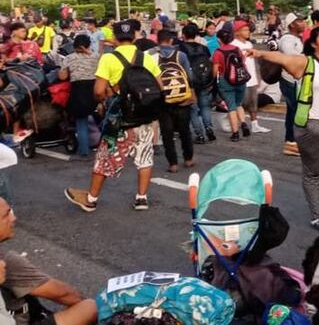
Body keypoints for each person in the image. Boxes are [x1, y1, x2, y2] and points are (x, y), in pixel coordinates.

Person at [256, 27, 319, 226]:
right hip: (314, 127)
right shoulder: (306, 63)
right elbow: (282, 58)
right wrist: (258, 52)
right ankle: (318, 215)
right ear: (313, 44)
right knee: (314, 173)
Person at [63, 20, 161, 213]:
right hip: (144, 115)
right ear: (134, 36)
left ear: (115, 37)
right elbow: (159, 85)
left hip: (120, 118)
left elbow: (99, 91)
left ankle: (91, 199)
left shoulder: (108, 58)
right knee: (144, 157)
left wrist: (106, 97)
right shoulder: (146, 57)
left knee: (105, 156)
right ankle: (141, 198)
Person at [0, 197, 98, 325]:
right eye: (6, 215)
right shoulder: (7, 261)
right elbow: (64, 294)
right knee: (90, 308)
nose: (13, 218)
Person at [152, 29, 196, 173]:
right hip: (181, 97)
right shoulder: (180, 55)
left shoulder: (152, 56)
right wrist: (192, 93)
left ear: (157, 40)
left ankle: (173, 163)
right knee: (185, 130)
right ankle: (188, 159)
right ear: (171, 40)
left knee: (167, 132)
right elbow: (189, 75)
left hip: (163, 98)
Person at [57, 34, 99, 159]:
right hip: (94, 89)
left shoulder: (69, 58)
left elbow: (62, 77)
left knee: (81, 122)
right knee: (99, 119)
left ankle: (83, 151)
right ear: (88, 45)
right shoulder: (96, 57)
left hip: (78, 90)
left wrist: (61, 69)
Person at [178, 24, 215, 145]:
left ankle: (200, 134)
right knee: (205, 106)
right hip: (204, 80)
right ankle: (209, 128)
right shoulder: (203, 48)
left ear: (183, 35)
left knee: (193, 109)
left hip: (190, 82)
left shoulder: (180, 48)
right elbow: (209, 62)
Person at [232, 20, 270, 135]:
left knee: (253, 103)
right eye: (245, 30)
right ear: (237, 32)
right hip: (241, 79)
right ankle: (234, 121)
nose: (248, 32)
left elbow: (254, 63)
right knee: (241, 103)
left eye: (248, 30)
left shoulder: (249, 44)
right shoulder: (233, 45)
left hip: (252, 78)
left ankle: (255, 125)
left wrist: (257, 77)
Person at [212, 27, 249, 142]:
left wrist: (214, 80)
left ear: (219, 39)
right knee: (239, 104)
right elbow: (243, 62)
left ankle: (235, 133)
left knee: (231, 106)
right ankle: (243, 123)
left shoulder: (218, 52)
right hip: (240, 79)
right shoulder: (237, 49)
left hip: (225, 81)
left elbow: (215, 70)